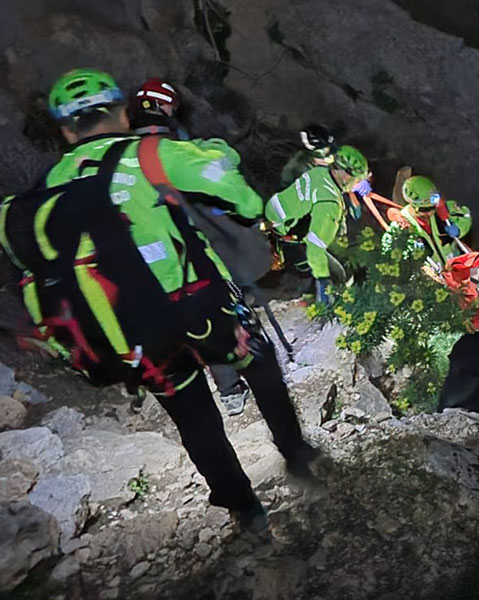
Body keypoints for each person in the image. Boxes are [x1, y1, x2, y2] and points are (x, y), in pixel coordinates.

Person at [4, 68, 319, 534]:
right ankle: (296, 456)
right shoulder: (148, 152)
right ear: (123, 113)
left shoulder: (48, 185)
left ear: (67, 130)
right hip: (195, 309)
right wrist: (216, 153)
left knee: (194, 418)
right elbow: (246, 204)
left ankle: (245, 511)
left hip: (131, 333)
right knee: (260, 362)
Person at [129, 78, 274, 417]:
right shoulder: (177, 152)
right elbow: (240, 195)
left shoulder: (115, 160)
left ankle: (229, 391)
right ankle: (262, 384)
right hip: (194, 258)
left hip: (152, 271)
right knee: (226, 316)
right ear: (161, 108)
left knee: (197, 330)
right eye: (169, 107)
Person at [264, 144, 369, 303]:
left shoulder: (320, 172)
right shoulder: (329, 204)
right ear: (347, 176)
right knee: (338, 275)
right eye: (357, 180)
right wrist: (323, 280)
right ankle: (326, 308)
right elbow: (315, 246)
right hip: (289, 241)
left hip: (275, 218)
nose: (357, 184)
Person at [384, 175, 471, 266]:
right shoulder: (402, 224)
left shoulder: (444, 208)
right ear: (413, 206)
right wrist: (408, 249)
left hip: (459, 261)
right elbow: (389, 248)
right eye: (424, 210)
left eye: (432, 208)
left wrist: (459, 229)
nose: (430, 213)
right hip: (436, 273)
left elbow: (465, 216)